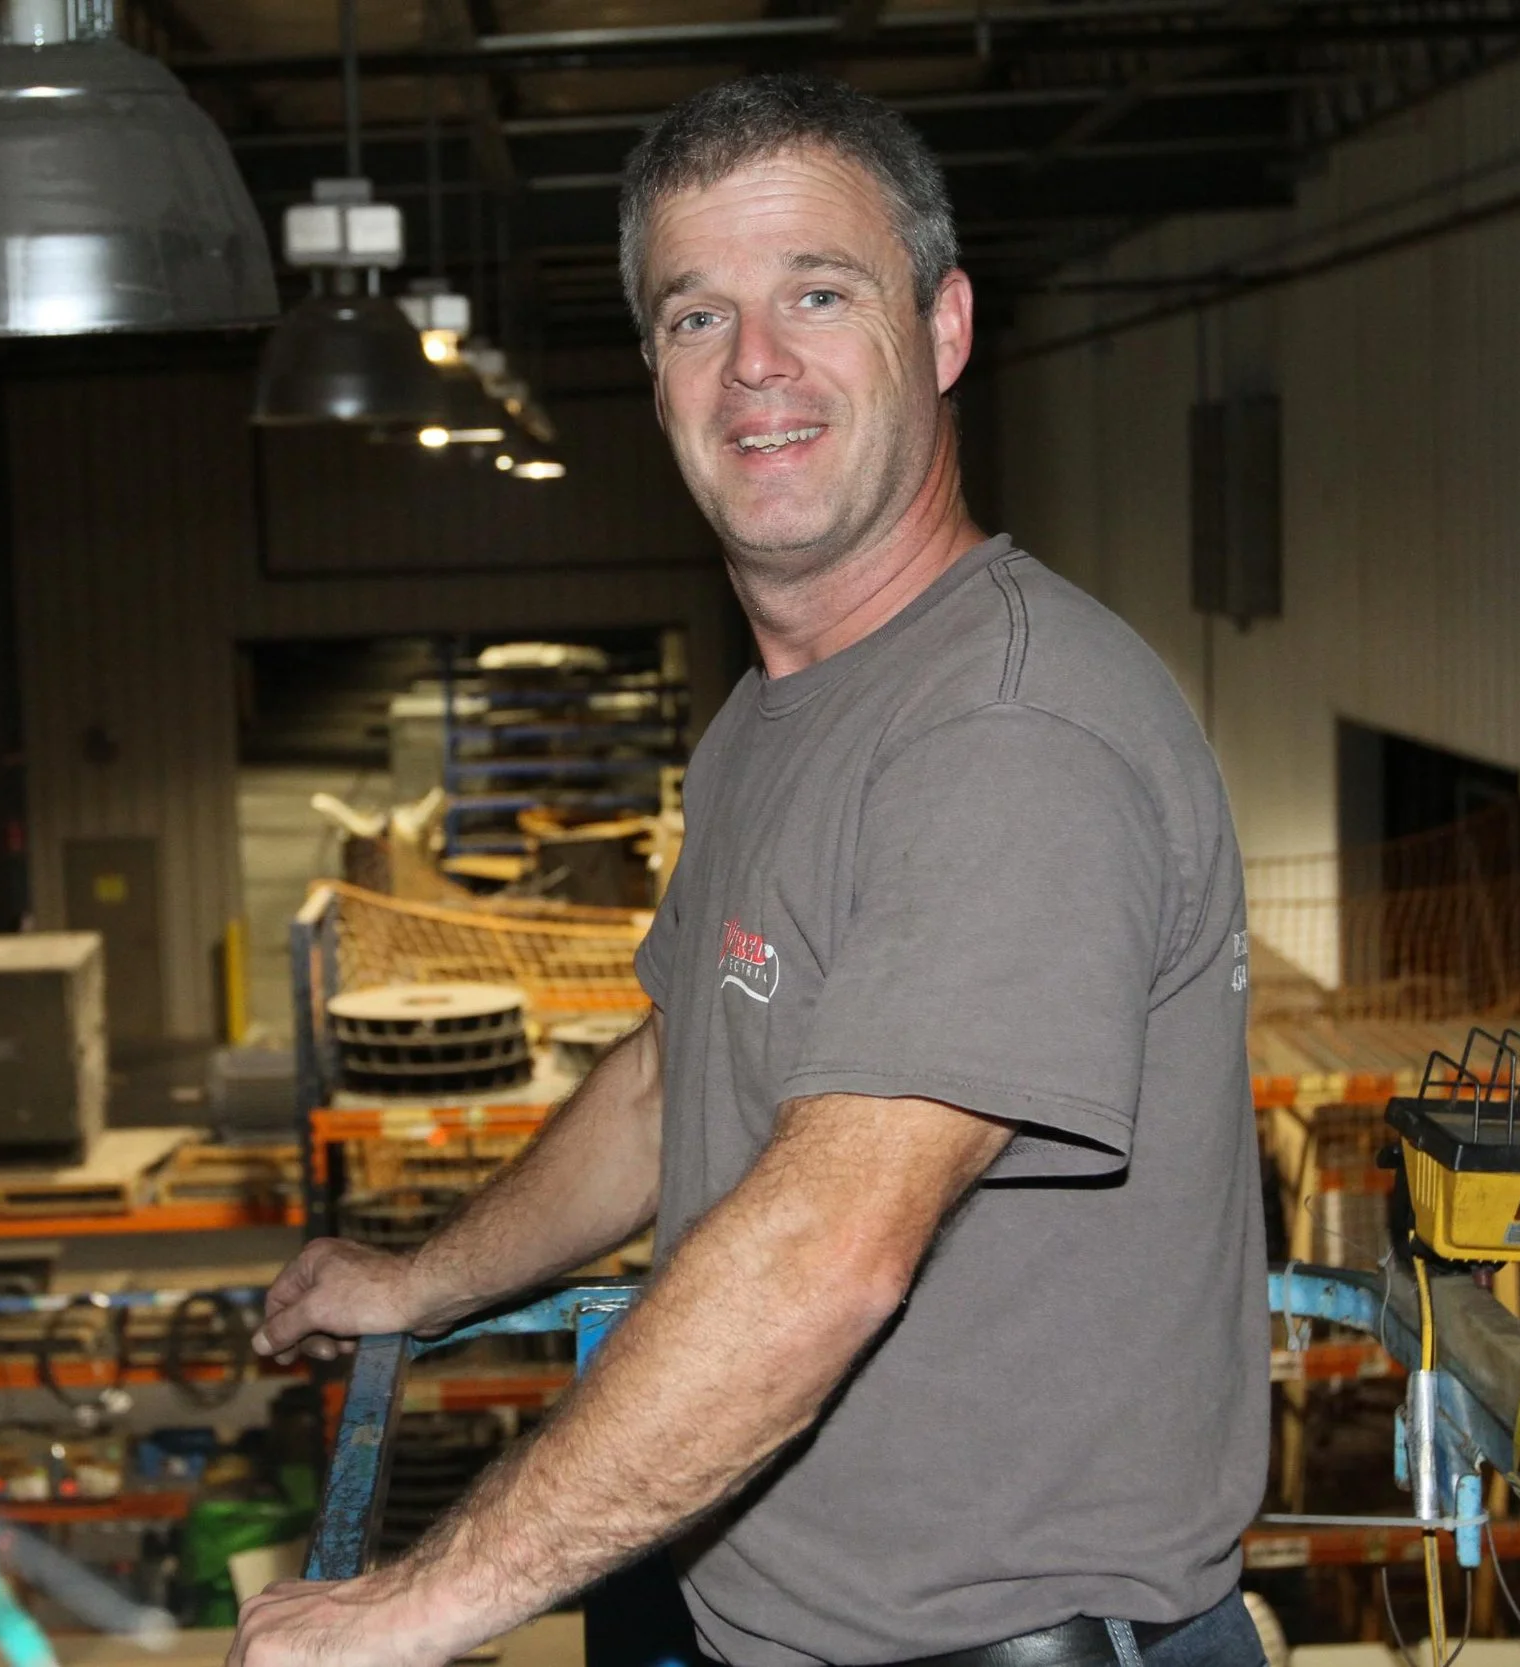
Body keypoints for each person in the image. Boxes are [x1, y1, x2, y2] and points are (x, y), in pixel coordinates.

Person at [234, 73, 1269, 1667]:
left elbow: (833, 1248)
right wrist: (417, 1284)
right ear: (652, 374)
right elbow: (673, 1082)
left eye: (820, 293)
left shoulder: (1012, 730)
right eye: (696, 316)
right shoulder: (782, 712)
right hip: (764, 1614)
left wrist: (417, 1605)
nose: (757, 366)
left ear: (943, 329)